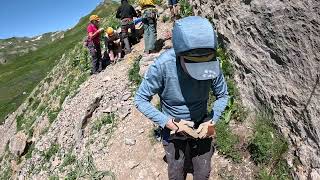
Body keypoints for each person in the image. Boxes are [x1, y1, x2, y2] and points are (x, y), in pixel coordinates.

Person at [134, 16, 229, 180]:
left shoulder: (212, 63)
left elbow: (223, 95)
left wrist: (211, 119)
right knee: (176, 172)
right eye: (193, 64)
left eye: (204, 64)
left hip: (202, 125)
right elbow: (140, 99)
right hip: (173, 127)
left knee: (203, 173)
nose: (199, 71)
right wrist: (169, 122)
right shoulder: (162, 66)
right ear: (179, 54)